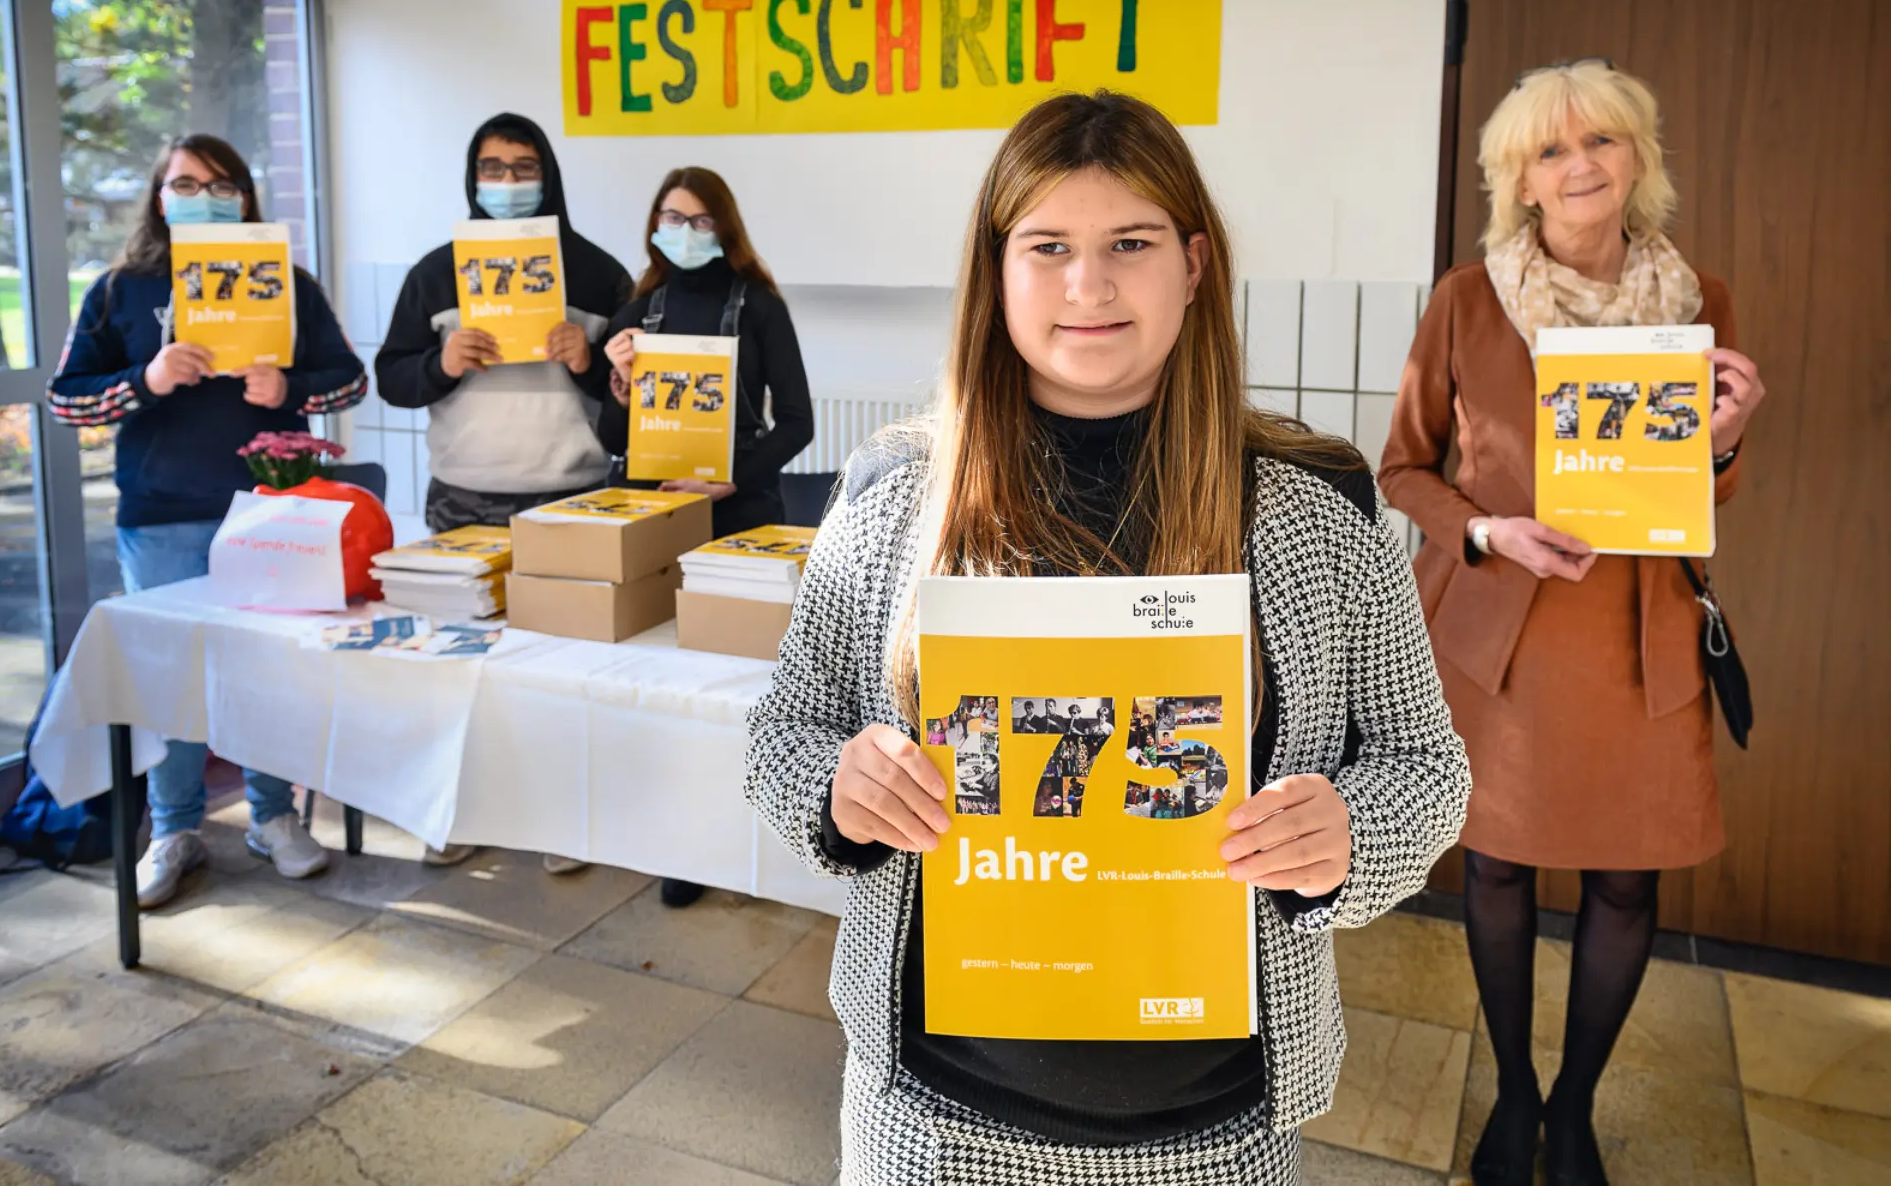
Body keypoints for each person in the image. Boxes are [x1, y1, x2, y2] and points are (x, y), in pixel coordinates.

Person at [745, 91, 1469, 1184]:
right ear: (997, 272)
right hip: (934, 1128)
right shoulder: (894, 496)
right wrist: (840, 788)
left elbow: (1428, 765)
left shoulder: (1317, 507)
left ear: (1193, 263)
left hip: (1215, 1136)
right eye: (1048, 246)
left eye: (1128, 243)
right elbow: (782, 732)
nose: (1088, 284)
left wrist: (1350, 835)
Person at [1378, 61, 1764, 1186]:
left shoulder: (1700, 299)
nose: (1581, 163)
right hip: (1505, 633)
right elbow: (1404, 470)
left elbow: (1709, 488)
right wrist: (1493, 533)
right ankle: (1511, 1091)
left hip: (1638, 631)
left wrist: (1727, 438)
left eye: (1602, 140)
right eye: (1552, 149)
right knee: (1495, 868)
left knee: (1628, 878)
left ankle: (1577, 1103)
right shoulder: (1466, 298)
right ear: (1521, 179)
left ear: (1638, 157)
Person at [47, 133, 365, 909]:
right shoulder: (120, 289)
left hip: (270, 510)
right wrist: (145, 377)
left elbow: (349, 382)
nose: (204, 195)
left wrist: (286, 383)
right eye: (185, 182)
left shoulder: (286, 282)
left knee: (264, 673)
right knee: (171, 681)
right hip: (159, 516)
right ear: (160, 196)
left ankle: (273, 815)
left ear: (247, 199)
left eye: (221, 183)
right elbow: (67, 399)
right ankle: (175, 827)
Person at [375, 111, 634, 876]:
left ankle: (562, 819)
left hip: (571, 497)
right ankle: (456, 811)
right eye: (493, 168)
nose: (508, 183)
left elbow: (629, 402)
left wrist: (588, 359)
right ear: (471, 177)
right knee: (458, 673)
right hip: (464, 498)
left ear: (548, 175)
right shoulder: (435, 270)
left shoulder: (596, 271)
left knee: (560, 673)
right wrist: (441, 362)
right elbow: (392, 377)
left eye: (524, 168)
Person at [600, 166, 814, 908]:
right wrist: (620, 387)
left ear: (724, 228)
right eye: (669, 217)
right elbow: (609, 436)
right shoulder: (635, 310)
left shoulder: (758, 306)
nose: (682, 233)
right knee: (671, 688)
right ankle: (686, 845)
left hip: (740, 515)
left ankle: (758, 835)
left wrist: (729, 477)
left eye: (698, 220)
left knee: (741, 692)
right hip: (659, 521)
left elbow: (797, 420)